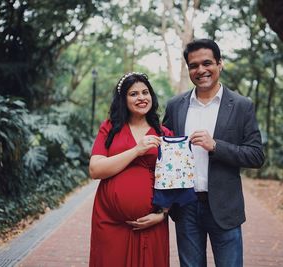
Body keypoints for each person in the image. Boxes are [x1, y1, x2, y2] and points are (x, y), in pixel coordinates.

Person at [163, 39, 265, 267]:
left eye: (207, 63)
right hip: (185, 207)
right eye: (193, 65)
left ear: (220, 64)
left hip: (224, 207)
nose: (200, 70)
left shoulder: (241, 105)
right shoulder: (175, 105)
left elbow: (256, 155)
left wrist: (216, 146)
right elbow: (166, 152)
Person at [88, 72, 171, 267]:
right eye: (133, 94)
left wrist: (162, 214)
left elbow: (174, 181)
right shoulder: (110, 128)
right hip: (109, 222)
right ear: (123, 99)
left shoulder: (164, 133)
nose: (141, 98)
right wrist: (136, 150)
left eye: (145, 92)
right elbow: (95, 170)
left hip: (151, 223)